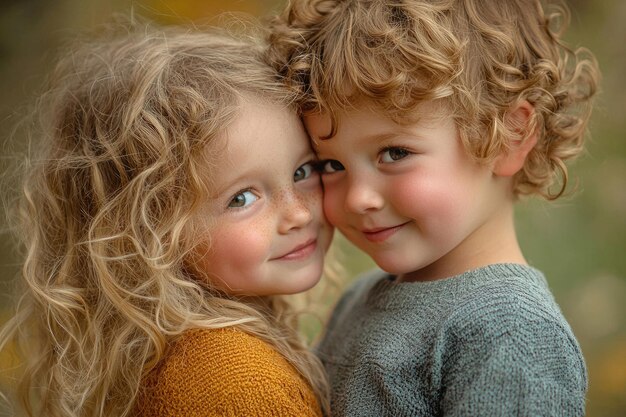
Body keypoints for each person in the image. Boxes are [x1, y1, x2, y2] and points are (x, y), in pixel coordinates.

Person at [268, 0, 599, 415]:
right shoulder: (363, 296)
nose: (357, 197)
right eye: (331, 164)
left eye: (394, 152)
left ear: (508, 137)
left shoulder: (513, 333)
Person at [0, 21, 333, 417]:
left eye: (303, 171)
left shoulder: (174, 349)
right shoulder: (235, 385)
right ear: (148, 235)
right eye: (242, 198)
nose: (297, 213)